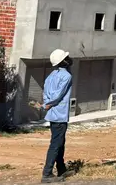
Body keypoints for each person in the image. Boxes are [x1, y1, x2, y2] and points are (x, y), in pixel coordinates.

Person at [39, 49, 73, 183]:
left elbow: (46, 91)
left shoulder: (52, 75)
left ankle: (61, 169)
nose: (69, 59)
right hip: (59, 114)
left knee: (60, 142)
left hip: (53, 114)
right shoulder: (66, 76)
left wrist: (47, 104)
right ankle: (47, 173)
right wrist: (48, 104)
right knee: (56, 144)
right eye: (67, 57)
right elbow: (58, 95)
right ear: (63, 61)